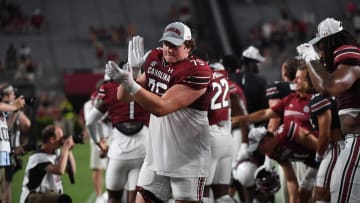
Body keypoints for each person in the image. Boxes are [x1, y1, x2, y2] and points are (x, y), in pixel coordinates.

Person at [105, 22, 212, 202]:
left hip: (187, 159)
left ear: (188, 46)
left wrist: (130, 84)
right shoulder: (155, 58)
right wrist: (133, 73)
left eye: (174, 45)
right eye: (166, 44)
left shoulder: (197, 70)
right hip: (156, 157)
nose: (168, 49)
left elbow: (162, 108)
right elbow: (123, 97)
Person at [297, 17, 360, 203]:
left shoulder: (348, 54)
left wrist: (310, 57)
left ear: (329, 42)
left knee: (341, 197)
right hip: (352, 140)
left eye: (322, 46)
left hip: (357, 141)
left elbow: (328, 86)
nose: (322, 53)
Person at [85, 69, 150, 203]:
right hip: (143, 151)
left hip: (118, 153)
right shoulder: (150, 87)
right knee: (135, 199)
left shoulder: (111, 90)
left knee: (113, 198)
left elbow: (90, 121)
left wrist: (98, 142)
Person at [247, 122, 319, 203]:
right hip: (315, 164)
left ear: (266, 139)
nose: (261, 152)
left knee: (319, 196)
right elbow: (291, 180)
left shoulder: (287, 132)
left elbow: (319, 146)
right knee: (301, 197)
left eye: (260, 148)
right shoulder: (272, 153)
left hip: (325, 154)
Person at [202, 62, 235, 203]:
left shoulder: (203, 78)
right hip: (227, 137)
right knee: (223, 195)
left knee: (202, 193)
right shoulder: (223, 79)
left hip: (210, 138)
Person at [19, 124, 76, 203]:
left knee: (62, 199)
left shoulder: (56, 152)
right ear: (51, 139)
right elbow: (60, 170)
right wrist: (66, 147)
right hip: (33, 196)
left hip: (48, 194)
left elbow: (72, 170)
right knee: (64, 200)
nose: (62, 140)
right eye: (60, 137)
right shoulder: (38, 157)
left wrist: (69, 150)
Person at [308, 93, 344, 202]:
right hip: (346, 145)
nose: (295, 80)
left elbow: (325, 136)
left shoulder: (319, 98)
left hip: (336, 148)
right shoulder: (340, 94)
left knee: (321, 196)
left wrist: (318, 156)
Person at [0, 83, 31, 203]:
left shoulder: (5, 110)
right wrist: (14, 106)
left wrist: (16, 109)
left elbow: (7, 127)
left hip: (3, 157)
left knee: (3, 193)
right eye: (12, 93)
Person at [83, 90, 112, 203]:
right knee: (97, 168)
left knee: (113, 166)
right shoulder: (89, 104)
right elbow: (91, 121)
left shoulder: (110, 99)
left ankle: (110, 193)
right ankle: (99, 196)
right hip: (96, 139)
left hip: (111, 137)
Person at [230, 45, 268, 125]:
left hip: (239, 126)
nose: (260, 65)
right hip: (259, 124)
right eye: (258, 62)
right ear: (251, 63)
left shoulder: (232, 80)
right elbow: (266, 108)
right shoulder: (260, 81)